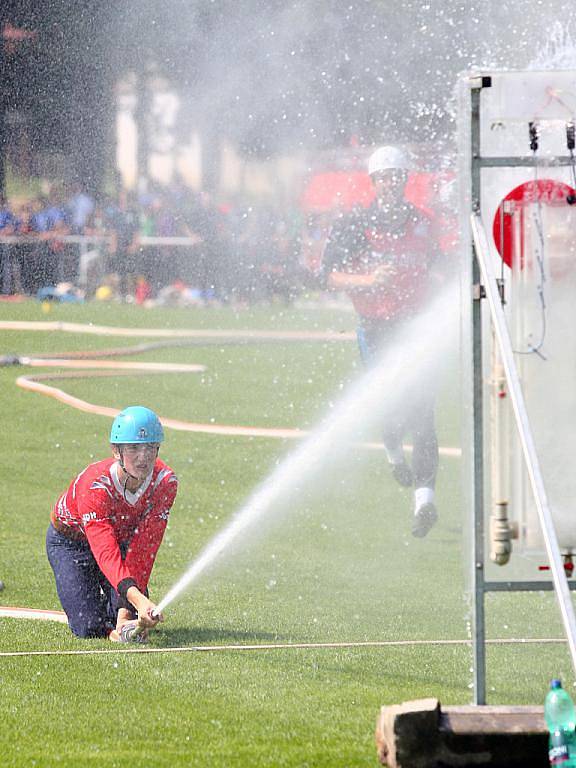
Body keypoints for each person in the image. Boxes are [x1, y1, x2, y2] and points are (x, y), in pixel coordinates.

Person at [323, 145, 441, 538]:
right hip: (376, 327)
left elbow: (438, 268)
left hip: (416, 328)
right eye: (384, 176)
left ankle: (425, 499)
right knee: (390, 407)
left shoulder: (423, 221)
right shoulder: (356, 224)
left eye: (397, 176)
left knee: (424, 410)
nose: (391, 183)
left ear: (406, 180)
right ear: (373, 182)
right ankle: (393, 451)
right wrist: (369, 281)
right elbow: (330, 275)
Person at [46, 406, 178, 641]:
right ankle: (108, 628)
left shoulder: (165, 482)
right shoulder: (95, 485)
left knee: (130, 609)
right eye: (134, 448)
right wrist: (131, 608)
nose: (143, 457)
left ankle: (117, 616)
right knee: (87, 625)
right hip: (71, 543)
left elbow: (144, 548)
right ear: (116, 451)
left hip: (120, 542)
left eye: (150, 448)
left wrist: (127, 612)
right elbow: (105, 551)